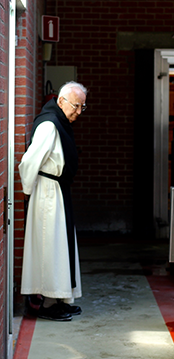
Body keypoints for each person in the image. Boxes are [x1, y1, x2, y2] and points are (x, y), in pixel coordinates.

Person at [19, 81, 87, 321]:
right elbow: (29, 161)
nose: (79, 111)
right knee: (51, 247)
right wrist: (29, 191)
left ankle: (59, 299)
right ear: (61, 101)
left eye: (82, 107)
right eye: (76, 106)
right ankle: (47, 305)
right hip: (48, 193)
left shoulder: (60, 122)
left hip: (57, 190)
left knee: (60, 246)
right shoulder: (49, 125)